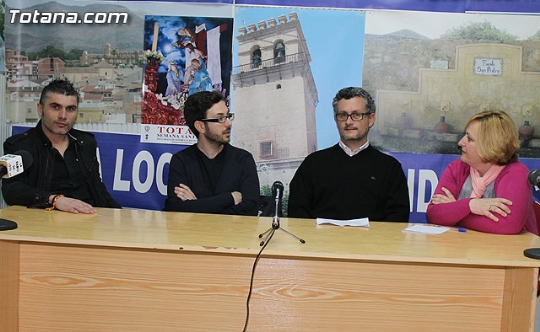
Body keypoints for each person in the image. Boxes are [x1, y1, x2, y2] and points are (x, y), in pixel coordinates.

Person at [288, 87, 410, 221]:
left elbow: (398, 218)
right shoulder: (313, 164)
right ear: (336, 119)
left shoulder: (390, 168)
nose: (349, 121)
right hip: (321, 241)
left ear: (371, 119)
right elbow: (297, 214)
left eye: (356, 115)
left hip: (372, 241)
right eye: (343, 115)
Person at [2, 78, 121, 213]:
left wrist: (121, 217)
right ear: (40, 109)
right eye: (55, 107)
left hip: (88, 221)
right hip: (45, 222)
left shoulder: (85, 142)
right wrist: (54, 200)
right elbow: (11, 190)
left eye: (70, 109)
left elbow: (98, 191)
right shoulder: (20, 145)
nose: (63, 116)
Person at [427, 110, 538, 235]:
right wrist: (470, 205)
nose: (460, 143)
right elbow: (434, 214)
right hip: (464, 249)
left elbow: (508, 225)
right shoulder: (456, 168)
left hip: (508, 252)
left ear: (490, 145)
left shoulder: (516, 173)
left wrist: (456, 210)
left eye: (469, 138)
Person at [163, 90, 260, 215]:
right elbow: (174, 208)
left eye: (228, 116)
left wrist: (197, 204)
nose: (229, 123)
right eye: (220, 118)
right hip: (192, 234)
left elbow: (250, 209)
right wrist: (229, 198)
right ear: (200, 126)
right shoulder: (181, 161)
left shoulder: (243, 159)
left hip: (233, 234)